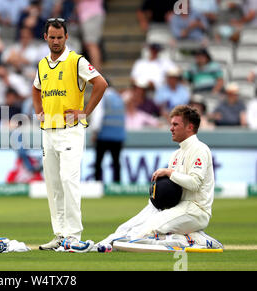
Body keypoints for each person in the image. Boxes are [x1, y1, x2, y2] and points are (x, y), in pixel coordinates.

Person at [97, 105, 223, 250]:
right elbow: (172, 188)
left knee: (142, 233)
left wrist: (169, 173)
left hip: (196, 210)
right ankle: (100, 245)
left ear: (190, 127)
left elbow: (194, 183)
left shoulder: (200, 149)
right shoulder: (176, 154)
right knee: (126, 228)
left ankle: (196, 239)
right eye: (171, 124)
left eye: (175, 124)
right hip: (175, 206)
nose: (171, 128)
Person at [32, 18, 108, 250]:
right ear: (45, 37)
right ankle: (60, 234)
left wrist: (84, 112)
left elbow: (101, 83)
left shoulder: (76, 61)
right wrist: (39, 112)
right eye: (52, 37)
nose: (56, 41)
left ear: (66, 38)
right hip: (49, 131)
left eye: (59, 37)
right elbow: (36, 89)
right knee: (54, 185)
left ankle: (74, 236)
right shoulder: (43, 64)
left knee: (69, 180)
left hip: (71, 130)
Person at [90, 87, 126, 184]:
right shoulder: (119, 98)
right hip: (118, 136)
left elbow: (98, 116)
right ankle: (117, 185)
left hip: (104, 136)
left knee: (98, 162)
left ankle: (97, 184)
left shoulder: (102, 97)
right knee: (116, 162)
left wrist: (94, 132)